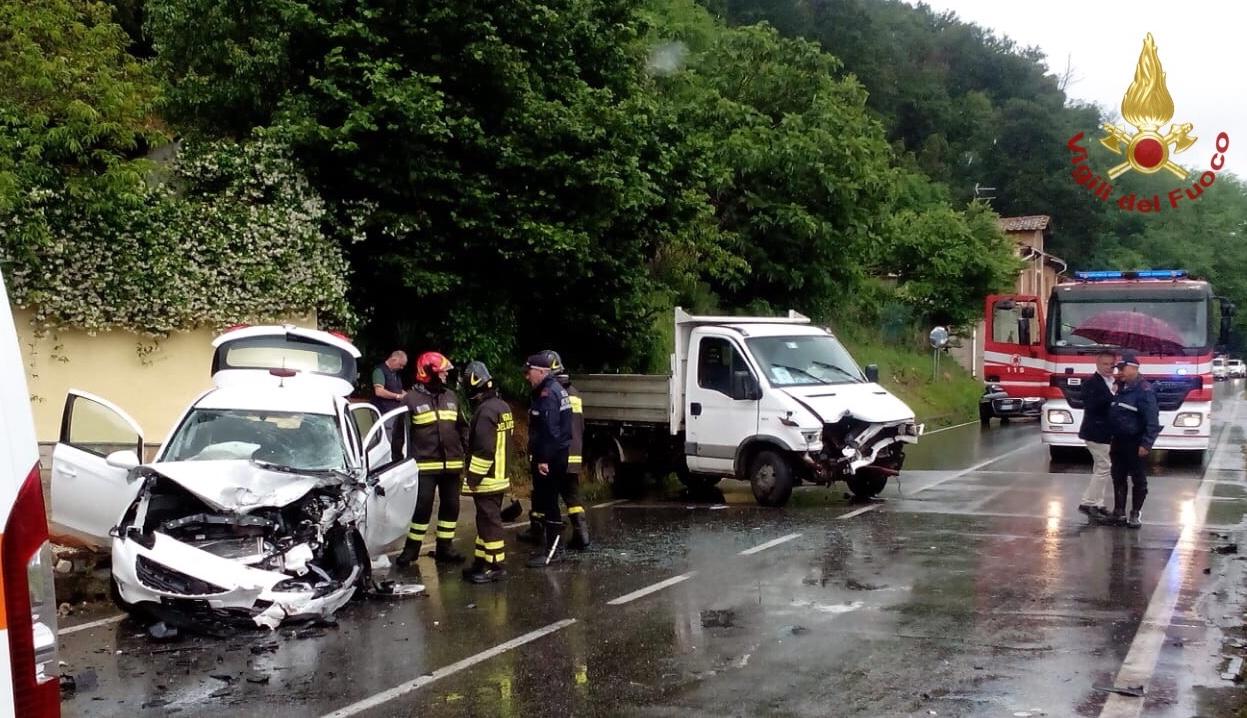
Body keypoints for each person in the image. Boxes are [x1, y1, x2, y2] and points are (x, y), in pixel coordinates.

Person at [395, 351, 468, 568]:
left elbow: (462, 426)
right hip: (425, 465)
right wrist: (398, 464)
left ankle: (445, 548)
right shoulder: (410, 399)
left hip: (452, 465)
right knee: (422, 508)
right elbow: (399, 435)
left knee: (451, 506)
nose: (446, 375)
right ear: (429, 372)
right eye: (442, 372)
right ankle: (411, 550)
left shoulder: (451, 397)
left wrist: (465, 450)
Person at [460, 361, 515, 583]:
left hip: (487, 478)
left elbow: (483, 451)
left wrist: (472, 479)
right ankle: (481, 561)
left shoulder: (484, 412)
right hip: (500, 476)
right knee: (484, 520)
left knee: (490, 522)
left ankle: (495, 566)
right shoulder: (502, 407)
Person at [523, 350, 573, 568]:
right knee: (547, 502)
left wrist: (543, 459)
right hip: (556, 455)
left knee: (550, 502)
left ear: (542, 371)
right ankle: (552, 547)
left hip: (551, 458)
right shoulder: (555, 389)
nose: (527, 376)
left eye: (530, 372)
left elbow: (550, 430)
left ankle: (553, 550)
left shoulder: (548, 394)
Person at [1108, 352, 1161, 529]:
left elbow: (1152, 420)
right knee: (1118, 476)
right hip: (1118, 441)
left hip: (1135, 442)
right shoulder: (1121, 388)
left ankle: (1135, 513)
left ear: (1134, 368)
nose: (1120, 372)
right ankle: (1119, 512)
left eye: (1123, 368)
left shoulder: (1145, 391)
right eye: (1118, 368)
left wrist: (1146, 443)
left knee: (1138, 480)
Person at [1077, 350, 1116, 522]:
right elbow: (1092, 406)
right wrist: (1113, 397)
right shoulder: (1090, 383)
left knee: (1100, 467)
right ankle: (1087, 503)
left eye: (1111, 364)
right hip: (1095, 432)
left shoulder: (1113, 381)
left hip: (1107, 432)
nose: (1108, 367)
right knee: (1104, 467)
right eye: (1105, 364)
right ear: (1097, 364)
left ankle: (1098, 504)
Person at [555, 358, 590, 550]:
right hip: (575, 453)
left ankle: (550, 539)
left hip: (561, 454)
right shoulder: (574, 393)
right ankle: (581, 534)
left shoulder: (556, 395)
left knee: (551, 496)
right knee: (572, 496)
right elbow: (581, 425)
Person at [372, 350, 408, 461]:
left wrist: (407, 395)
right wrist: (397, 396)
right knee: (387, 443)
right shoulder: (379, 371)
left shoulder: (395, 374)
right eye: (400, 365)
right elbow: (379, 391)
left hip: (395, 414)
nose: (401, 368)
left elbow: (397, 389)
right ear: (394, 359)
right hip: (384, 414)